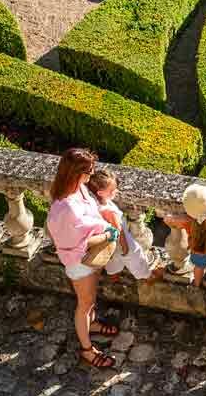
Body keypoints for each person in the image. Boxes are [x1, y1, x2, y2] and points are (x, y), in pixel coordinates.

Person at [46, 148, 145, 370]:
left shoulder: (78, 189)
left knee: (90, 300)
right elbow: (75, 244)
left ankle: (92, 324)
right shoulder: (67, 207)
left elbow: (88, 220)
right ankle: (87, 349)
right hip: (80, 261)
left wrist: (104, 220)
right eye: (89, 173)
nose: (91, 177)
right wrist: (108, 234)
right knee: (85, 303)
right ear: (76, 173)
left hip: (91, 257)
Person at [86, 169, 161, 286]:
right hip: (123, 243)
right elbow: (119, 231)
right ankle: (148, 277)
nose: (115, 191)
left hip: (109, 245)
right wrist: (126, 248)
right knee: (137, 260)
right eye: (112, 190)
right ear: (100, 193)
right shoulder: (110, 212)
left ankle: (114, 277)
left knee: (113, 263)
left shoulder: (96, 204)